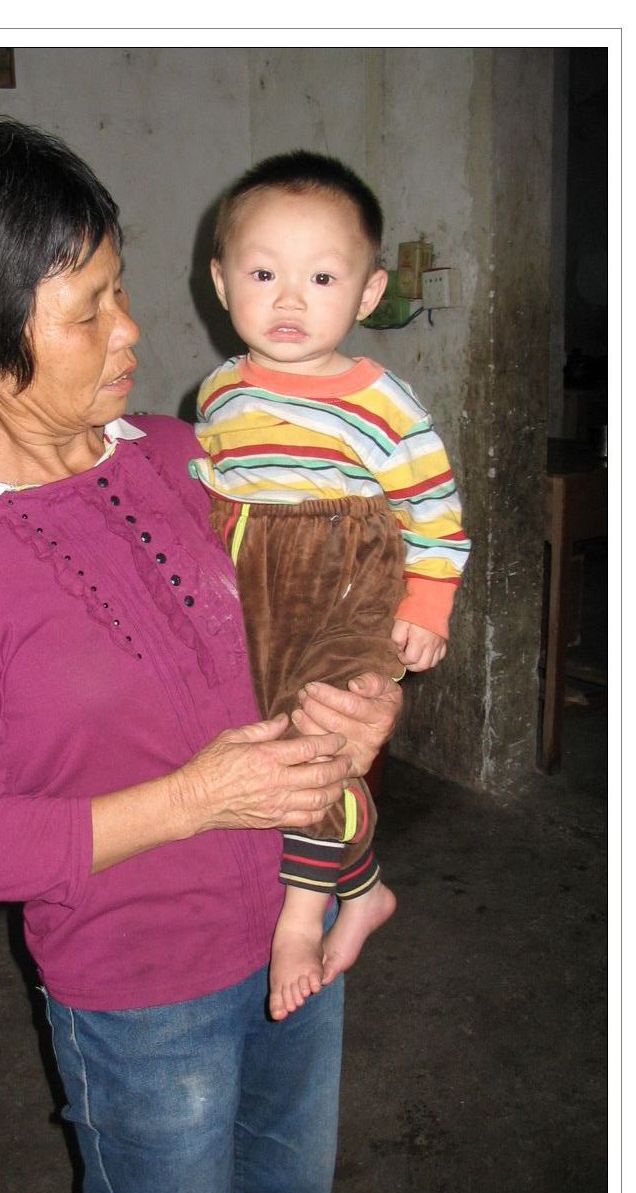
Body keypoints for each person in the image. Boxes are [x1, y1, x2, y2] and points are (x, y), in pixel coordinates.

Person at [0, 117, 401, 1193]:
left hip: (301, 925)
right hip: (146, 998)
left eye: (121, 287)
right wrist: (197, 798)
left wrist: (373, 696)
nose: (133, 329)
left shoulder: (193, 455)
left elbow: (323, 617)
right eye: (87, 309)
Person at [190, 151, 470, 1022]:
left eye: (320, 277)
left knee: (319, 741)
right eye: (262, 274)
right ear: (220, 281)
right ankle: (363, 886)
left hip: (347, 580)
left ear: (369, 291)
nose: (288, 299)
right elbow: (211, 492)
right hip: (252, 588)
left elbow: (435, 508)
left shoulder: (381, 400)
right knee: (270, 741)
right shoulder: (218, 392)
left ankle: (299, 921)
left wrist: (428, 603)